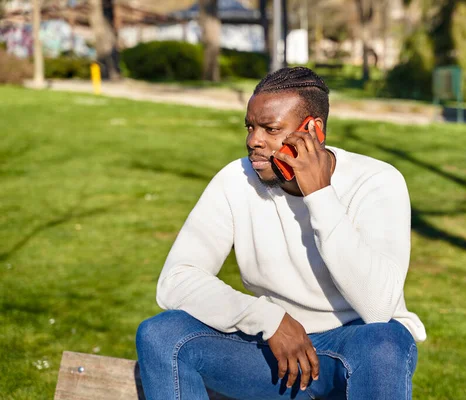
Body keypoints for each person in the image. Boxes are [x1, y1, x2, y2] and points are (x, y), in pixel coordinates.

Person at [136, 67, 426, 400]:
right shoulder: (235, 180)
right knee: (160, 335)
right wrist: (267, 318)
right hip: (275, 356)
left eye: (270, 129)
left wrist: (319, 195)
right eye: (250, 126)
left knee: (386, 342)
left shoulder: (376, 182)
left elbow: (378, 309)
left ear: (313, 131)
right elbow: (176, 280)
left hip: (353, 353)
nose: (253, 141)